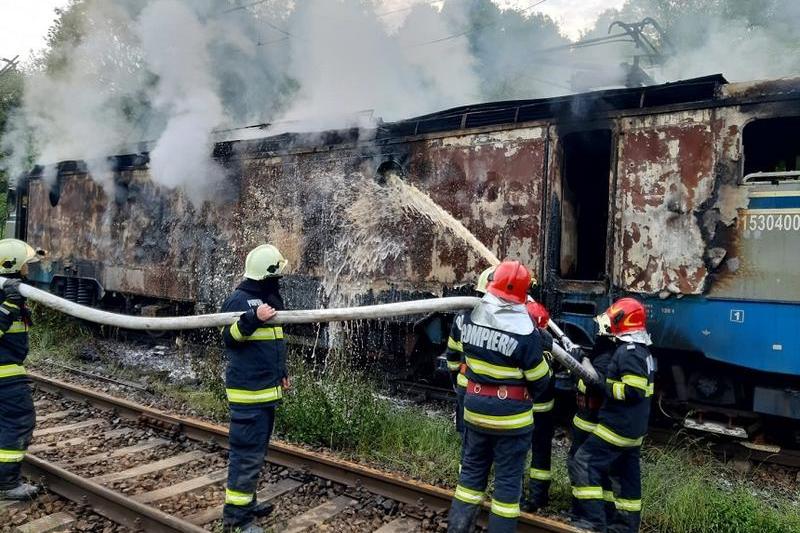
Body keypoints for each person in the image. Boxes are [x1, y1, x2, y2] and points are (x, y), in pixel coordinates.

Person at [447, 261, 550, 533]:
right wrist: (546, 351)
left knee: (469, 480)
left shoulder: (466, 317)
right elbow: (541, 383)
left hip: (474, 412)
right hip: (512, 422)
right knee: (506, 488)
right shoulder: (527, 334)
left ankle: (457, 529)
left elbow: (453, 360)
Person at [568, 298, 655, 533]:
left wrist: (605, 385)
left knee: (583, 462)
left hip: (617, 427)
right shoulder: (642, 352)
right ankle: (625, 527)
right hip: (633, 430)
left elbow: (633, 391)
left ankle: (593, 521)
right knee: (626, 478)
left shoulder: (628, 353)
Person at [220, 244, 290, 533]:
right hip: (249, 397)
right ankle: (237, 520)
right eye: (278, 274)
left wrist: (282, 372)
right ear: (266, 275)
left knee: (256, 454)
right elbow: (230, 338)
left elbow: (271, 345)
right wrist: (252, 319)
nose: (281, 280)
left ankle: (246, 503)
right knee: (246, 456)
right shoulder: (240, 300)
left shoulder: (264, 298)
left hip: (265, 393)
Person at [0, 239, 41, 501]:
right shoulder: (6, 298)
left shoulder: (11, 292)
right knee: (18, 420)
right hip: (4, 375)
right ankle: (6, 484)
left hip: (7, 369)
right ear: (13, 266)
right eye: (26, 265)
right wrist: (10, 306)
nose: (29, 270)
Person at [444, 266, 495, 445]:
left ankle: (464, 469)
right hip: (497, 395)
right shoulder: (510, 324)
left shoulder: (462, 317)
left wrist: (454, 376)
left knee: (468, 439)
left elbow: (451, 354)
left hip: (466, 385)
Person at [523, 300, 555, 512]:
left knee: (517, 453)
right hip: (544, 412)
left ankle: (527, 496)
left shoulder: (531, 349)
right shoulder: (548, 349)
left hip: (525, 411)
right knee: (541, 454)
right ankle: (539, 495)